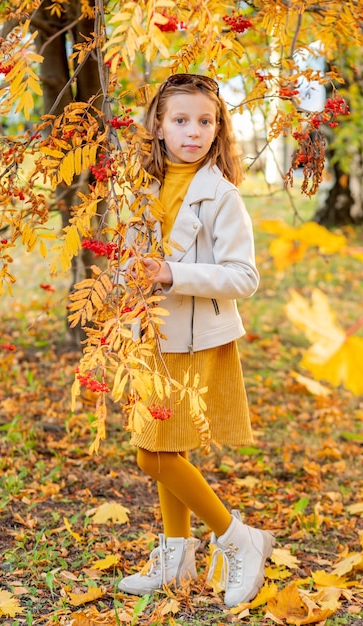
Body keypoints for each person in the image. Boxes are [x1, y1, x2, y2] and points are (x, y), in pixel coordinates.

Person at [118, 73, 274, 608]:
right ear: (158, 126)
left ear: (218, 127)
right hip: (150, 335)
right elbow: (131, 261)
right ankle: (177, 557)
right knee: (168, 445)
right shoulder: (140, 188)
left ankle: (238, 539)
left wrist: (172, 274)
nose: (194, 131)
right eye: (181, 120)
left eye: (205, 121)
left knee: (152, 455)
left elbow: (244, 276)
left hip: (194, 340)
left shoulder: (222, 195)